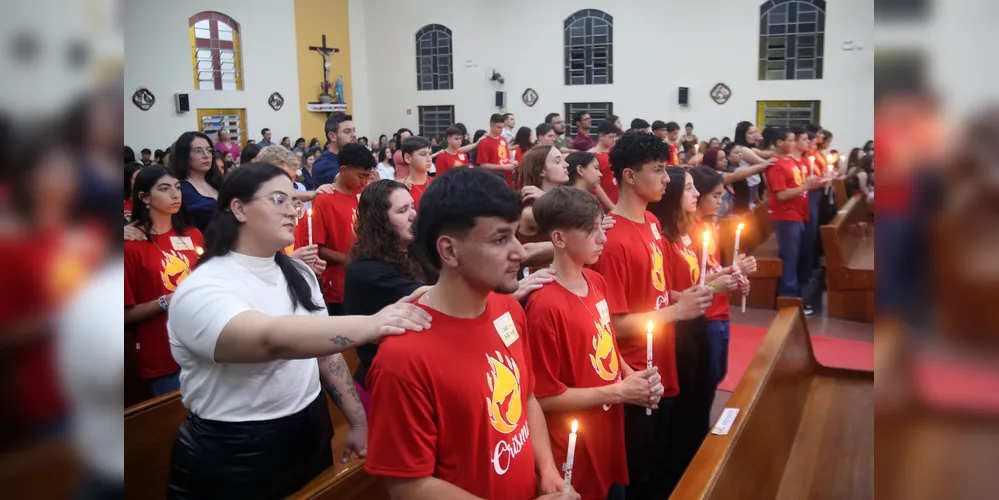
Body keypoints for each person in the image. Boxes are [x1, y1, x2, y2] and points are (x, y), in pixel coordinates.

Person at [165, 162, 432, 498]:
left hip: (309, 428)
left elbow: (326, 354)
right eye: (279, 200)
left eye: (294, 201)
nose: (293, 211)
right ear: (238, 208)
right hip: (235, 446)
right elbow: (270, 339)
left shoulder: (298, 273)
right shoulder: (203, 287)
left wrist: (359, 421)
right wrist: (373, 324)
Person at [364, 167, 577, 500]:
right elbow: (407, 485)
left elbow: (527, 398)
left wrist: (547, 470)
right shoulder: (403, 358)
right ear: (449, 251)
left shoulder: (507, 310)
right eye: (500, 239)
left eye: (516, 235)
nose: (520, 253)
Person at [589, 131, 712, 499]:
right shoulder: (611, 240)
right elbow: (613, 323)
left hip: (661, 359)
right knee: (639, 471)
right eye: (658, 171)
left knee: (661, 460)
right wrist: (677, 310)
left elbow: (652, 293)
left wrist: (682, 295)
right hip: (634, 371)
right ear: (629, 176)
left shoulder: (653, 224)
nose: (665, 180)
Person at [527, 186, 665, 500]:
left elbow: (607, 347)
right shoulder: (545, 304)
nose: (603, 239)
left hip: (607, 430)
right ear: (559, 239)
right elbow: (543, 396)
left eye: (601, 228)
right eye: (592, 232)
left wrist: (633, 376)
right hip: (573, 446)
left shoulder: (596, 280)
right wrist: (619, 391)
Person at [651, 167, 735, 492]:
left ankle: (699, 465)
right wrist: (714, 285)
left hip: (695, 326)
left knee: (701, 399)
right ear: (673, 197)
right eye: (689, 189)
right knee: (685, 411)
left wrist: (723, 276)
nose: (696, 194)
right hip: (677, 334)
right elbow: (666, 291)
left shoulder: (688, 233)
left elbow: (696, 281)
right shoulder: (663, 239)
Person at [124, 166, 202, 396]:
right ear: (144, 197)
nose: (175, 195)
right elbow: (122, 314)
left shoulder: (192, 235)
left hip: (199, 344)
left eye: (177, 188)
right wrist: (166, 301)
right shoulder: (131, 245)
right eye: (165, 189)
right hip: (160, 348)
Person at [689, 166, 755, 387]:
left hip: (720, 310)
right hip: (707, 313)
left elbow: (712, 268)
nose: (721, 200)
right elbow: (692, 279)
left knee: (717, 373)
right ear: (697, 194)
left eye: (722, 194)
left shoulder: (706, 227)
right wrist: (723, 277)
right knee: (707, 378)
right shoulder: (688, 231)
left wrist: (735, 272)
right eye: (715, 195)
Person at [313, 143, 376, 316]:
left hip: (368, 279)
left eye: (367, 176)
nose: (364, 181)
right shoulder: (324, 200)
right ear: (343, 170)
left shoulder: (366, 194)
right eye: (360, 176)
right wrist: (349, 260)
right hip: (339, 284)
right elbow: (318, 248)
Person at [763, 127, 819, 309]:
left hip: (797, 214)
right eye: (791, 140)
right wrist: (804, 187)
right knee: (789, 257)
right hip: (785, 216)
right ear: (780, 143)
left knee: (795, 256)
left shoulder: (791, 161)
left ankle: (793, 293)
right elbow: (780, 195)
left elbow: (799, 185)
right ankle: (788, 297)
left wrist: (811, 185)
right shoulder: (777, 165)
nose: (794, 143)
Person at [701, 146, 772, 217]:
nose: (725, 161)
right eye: (721, 159)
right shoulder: (713, 176)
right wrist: (762, 165)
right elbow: (738, 175)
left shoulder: (724, 172)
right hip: (713, 218)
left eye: (725, 158)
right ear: (712, 161)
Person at [173, 131, 222, 232]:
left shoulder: (219, 182)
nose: (206, 155)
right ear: (184, 156)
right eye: (197, 151)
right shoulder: (179, 188)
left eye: (209, 150)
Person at [313, 113, 358, 186]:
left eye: (354, 130)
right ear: (333, 136)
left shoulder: (354, 158)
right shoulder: (322, 164)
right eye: (347, 131)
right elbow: (350, 182)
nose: (354, 135)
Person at [733, 121, 770, 208]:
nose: (754, 135)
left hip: (753, 186)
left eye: (755, 132)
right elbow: (763, 163)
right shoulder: (744, 149)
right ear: (742, 134)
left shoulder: (749, 148)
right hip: (747, 186)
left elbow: (764, 153)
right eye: (751, 133)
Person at [477, 113, 518, 187]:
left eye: (503, 127)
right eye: (499, 127)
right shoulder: (484, 142)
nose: (501, 130)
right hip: (493, 181)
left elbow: (505, 159)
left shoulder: (503, 139)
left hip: (506, 179)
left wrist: (512, 163)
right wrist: (504, 167)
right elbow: (483, 165)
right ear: (491, 125)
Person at [591, 120, 621, 210]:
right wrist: (612, 207)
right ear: (601, 136)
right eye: (611, 137)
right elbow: (596, 185)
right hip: (605, 205)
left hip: (618, 200)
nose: (614, 140)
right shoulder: (593, 156)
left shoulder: (614, 152)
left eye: (615, 137)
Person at [401, 136, 433, 209]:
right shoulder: (401, 188)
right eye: (423, 154)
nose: (429, 159)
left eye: (430, 154)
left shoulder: (438, 184)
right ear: (408, 158)